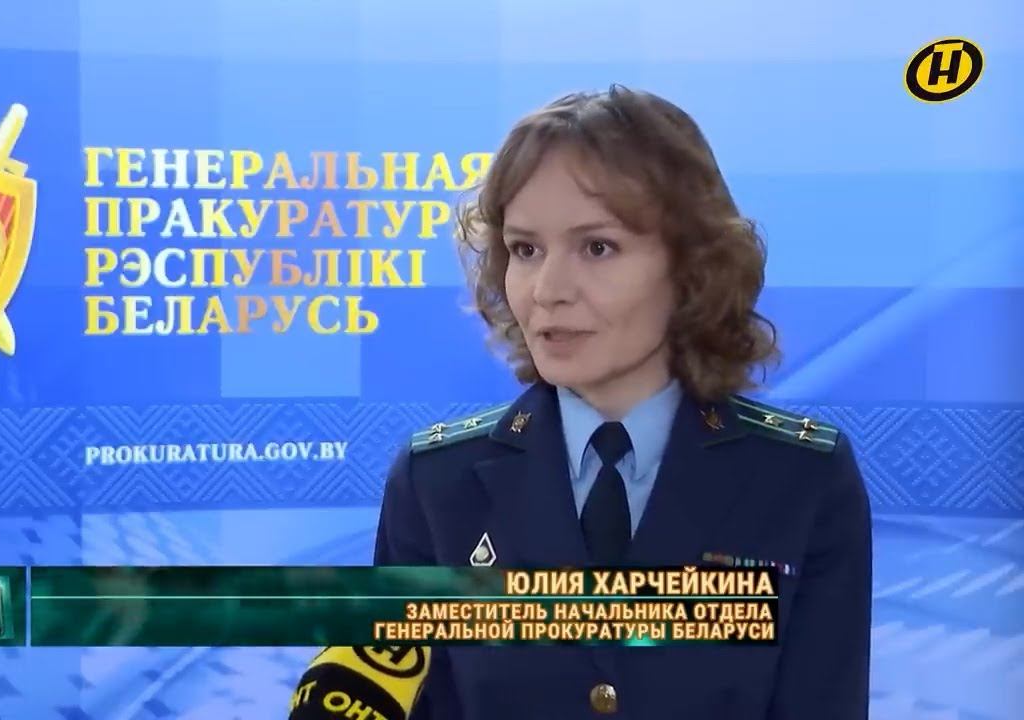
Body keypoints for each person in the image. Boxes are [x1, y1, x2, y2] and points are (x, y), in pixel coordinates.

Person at [373, 86, 873, 719]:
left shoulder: (801, 478)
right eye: (526, 249)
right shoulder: (437, 482)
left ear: (691, 265)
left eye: (597, 247)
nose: (548, 290)